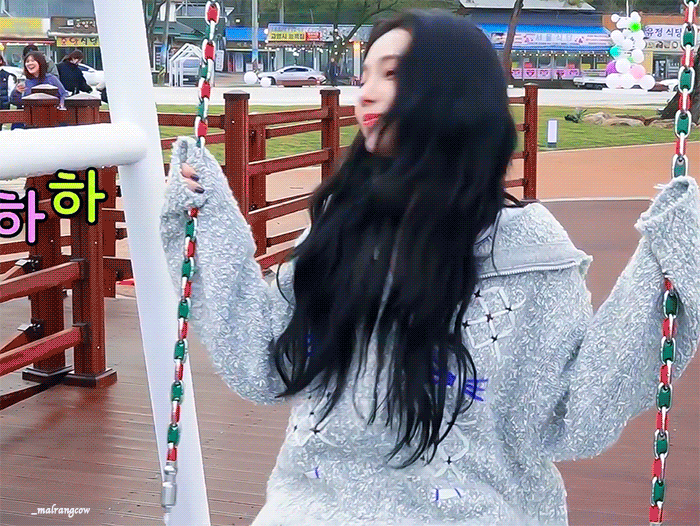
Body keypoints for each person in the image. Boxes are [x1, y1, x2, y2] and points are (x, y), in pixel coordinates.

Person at [160, 10, 700, 526]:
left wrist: (662, 268)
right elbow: (263, 360)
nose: (364, 93)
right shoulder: (339, 231)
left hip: (479, 511)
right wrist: (208, 218)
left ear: (453, 91)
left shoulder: (525, 253)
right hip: (313, 506)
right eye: (363, 76)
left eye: (391, 74)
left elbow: (573, 410)